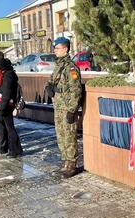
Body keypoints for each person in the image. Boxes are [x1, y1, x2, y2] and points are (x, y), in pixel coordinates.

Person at [45, 37, 82, 178]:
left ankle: (72, 164)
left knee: (69, 136)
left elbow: (76, 90)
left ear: (65, 49)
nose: (55, 51)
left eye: (57, 48)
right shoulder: (58, 66)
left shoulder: (71, 67)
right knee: (61, 135)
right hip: (58, 106)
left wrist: (72, 110)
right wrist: (48, 87)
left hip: (67, 107)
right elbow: (51, 81)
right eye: (54, 48)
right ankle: (65, 162)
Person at [0, 57, 23, 158]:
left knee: (10, 128)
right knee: (7, 127)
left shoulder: (8, 75)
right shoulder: (2, 74)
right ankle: (16, 149)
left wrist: (1, 107)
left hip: (6, 105)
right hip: (3, 104)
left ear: (0, 66)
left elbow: (7, 93)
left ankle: (14, 150)